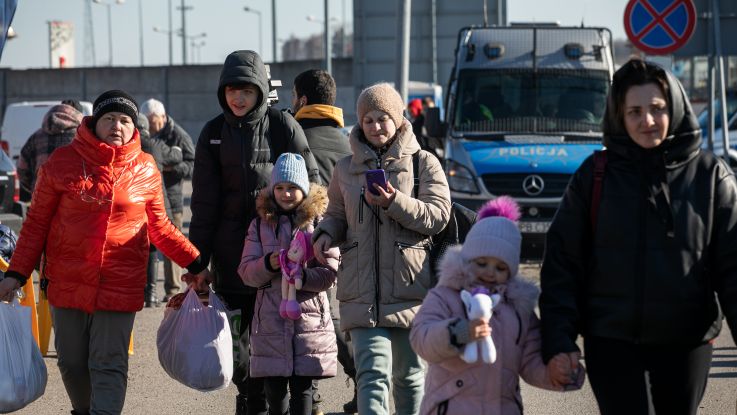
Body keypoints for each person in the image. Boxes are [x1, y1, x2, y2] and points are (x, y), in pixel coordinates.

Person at [540, 59, 737, 415]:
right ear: (619, 116)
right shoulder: (594, 175)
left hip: (687, 343)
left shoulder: (711, 176)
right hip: (611, 342)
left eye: (657, 108)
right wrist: (559, 340)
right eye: (634, 111)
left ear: (674, 107)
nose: (647, 121)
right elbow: (563, 263)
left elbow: (734, 268)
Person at [0, 89, 211, 415]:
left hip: (120, 282)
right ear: (94, 123)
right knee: (71, 362)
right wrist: (16, 274)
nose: (117, 125)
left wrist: (196, 263)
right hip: (67, 282)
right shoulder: (61, 164)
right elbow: (35, 226)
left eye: (125, 120)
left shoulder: (146, 169)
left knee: (109, 363)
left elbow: (161, 228)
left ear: (134, 126)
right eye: (109, 118)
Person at [188, 50, 319, 415]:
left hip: (279, 264)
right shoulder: (212, 134)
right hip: (232, 264)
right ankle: (250, 399)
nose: (238, 98)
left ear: (261, 90)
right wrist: (197, 262)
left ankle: (270, 404)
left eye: (246, 90)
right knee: (238, 350)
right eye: (232, 90)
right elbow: (203, 206)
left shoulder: (282, 126)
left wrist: (305, 242)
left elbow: (312, 188)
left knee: (279, 347)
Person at [312, 82, 451, 415]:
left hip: (410, 290)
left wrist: (394, 202)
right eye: (368, 119)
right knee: (372, 377)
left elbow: (438, 215)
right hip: (360, 292)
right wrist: (325, 234)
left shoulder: (424, 163)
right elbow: (334, 213)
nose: (375, 126)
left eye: (383, 118)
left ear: (399, 118)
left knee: (410, 378)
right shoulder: (345, 168)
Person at [410, 197, 583, 414]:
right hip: (452, 407)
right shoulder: (446, 296)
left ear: (511, 271)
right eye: (482, 263)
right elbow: (421, 338)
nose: (490, 272)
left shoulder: (518, 309)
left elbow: (530, 360)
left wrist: (554, 373)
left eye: (501, 267)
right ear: (467, 259)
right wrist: (459, 332)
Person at [237, 153, 338, 415]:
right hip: (270, 322)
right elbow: (246, 272)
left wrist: (303, 278)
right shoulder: (260, 226)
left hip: (309, 322)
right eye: (280, 188)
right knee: (275, 393)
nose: (286, 194)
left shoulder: (318, 225)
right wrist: (268, 264)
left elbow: (329, 273)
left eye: (293, 188)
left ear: (304, 190)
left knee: (303, 391)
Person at [291, 68, 354, 414]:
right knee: (338, 316)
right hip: (351, 240)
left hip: (311, 242)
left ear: (301, 99)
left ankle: (312, 396)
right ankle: (365, 379)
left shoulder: (297, 139)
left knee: (313, 316)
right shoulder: (347, 141)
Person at [139, 98, 195, 303]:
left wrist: (170, 169)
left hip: (172, 198)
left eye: (155, 123)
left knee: (172, 245)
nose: (152, 128)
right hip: (151, 199)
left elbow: (192, 163)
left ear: (162, 117)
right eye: (149, 124)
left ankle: (172, 289)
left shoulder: (178, 135)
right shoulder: (147, 137)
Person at [17, 100, 83, 201]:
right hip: (74, 198)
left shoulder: (36, 137)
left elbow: (22, 169)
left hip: (41, 196)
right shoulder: (83, 137)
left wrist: (34, 186)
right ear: (79, 114)